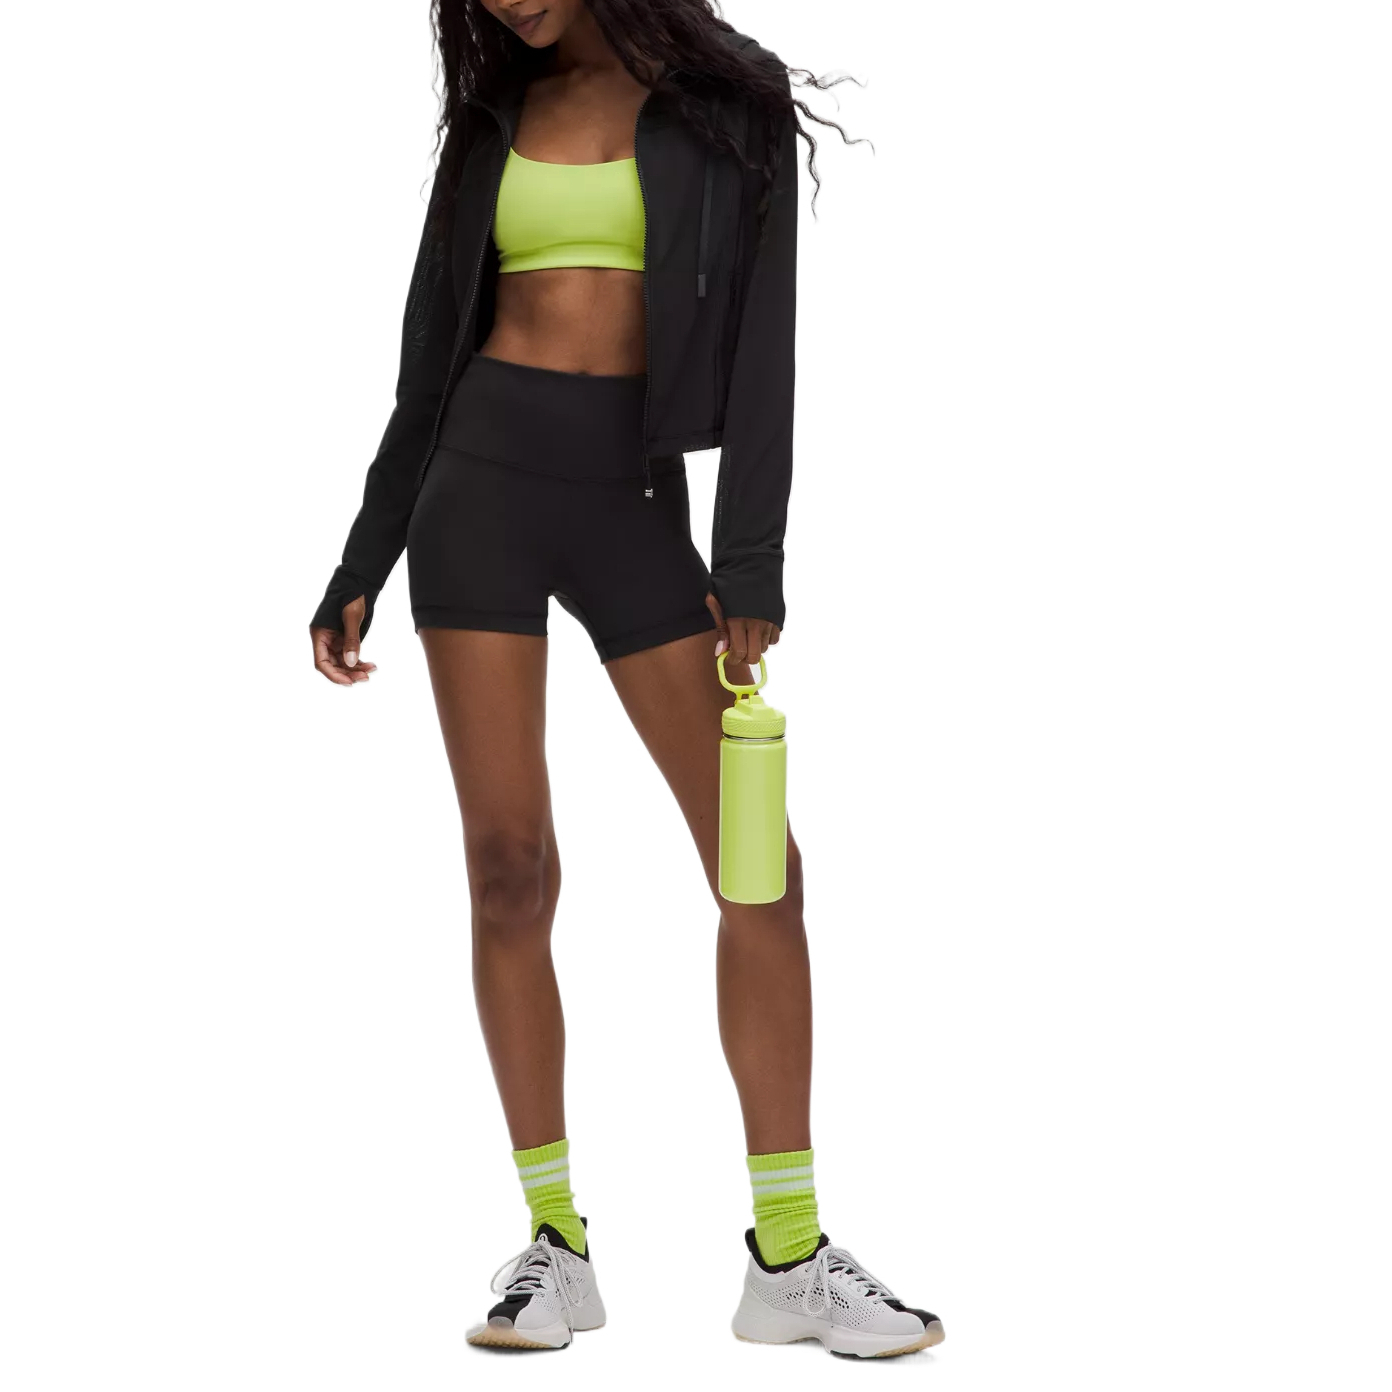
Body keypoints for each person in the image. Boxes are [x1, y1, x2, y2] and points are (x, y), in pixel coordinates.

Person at [308, 0, 942, 1359]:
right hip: (476, 493)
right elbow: (428, 349)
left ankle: (789, 1258)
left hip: (632, 504)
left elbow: (766, 349)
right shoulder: (494, 113)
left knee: (759, 868)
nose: (506, 1)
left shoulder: (731, 103)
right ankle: (555, 1246)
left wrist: (750, 564)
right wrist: (366, 552)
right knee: (508, 871)